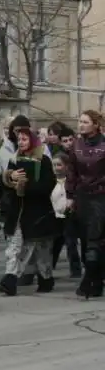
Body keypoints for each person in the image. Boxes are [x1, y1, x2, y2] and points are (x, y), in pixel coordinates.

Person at [0, 128, 58, 296]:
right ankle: (10, 279)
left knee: (40, 249)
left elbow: (47, 185)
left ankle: (46, 278)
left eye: (24, 139)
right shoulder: (14, 160)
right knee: (15, 247)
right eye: (19, 139)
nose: (21, 142)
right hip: (17, 212)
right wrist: (11, 178)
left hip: (38, 212)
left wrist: (25, 186)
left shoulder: (42, 161)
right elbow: (5, 184)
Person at [67, 110, 105, 298]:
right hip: (82, 197)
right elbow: (71, 172)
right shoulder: (76, 145)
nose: (81, 125)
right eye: (79, 121)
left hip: (101, 196)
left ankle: (88, 280)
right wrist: (70, 195)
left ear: (96, 125)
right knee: (84, 240)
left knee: (94, 241)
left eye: (85, 122)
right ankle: (96, 282)